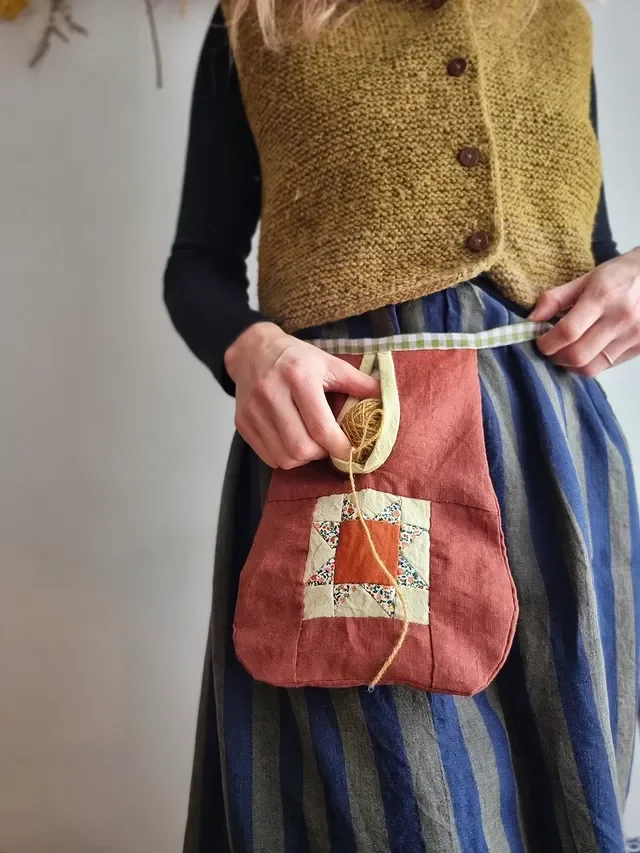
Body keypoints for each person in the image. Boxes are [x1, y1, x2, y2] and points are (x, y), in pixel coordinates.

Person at [164, 1, 640, 850]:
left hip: (554, 463)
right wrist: (251, 348)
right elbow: (197, 262)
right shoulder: (256, 19)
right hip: (356, 450)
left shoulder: (559, 17)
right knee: (391, 806)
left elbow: (585, 247)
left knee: (566, 793)